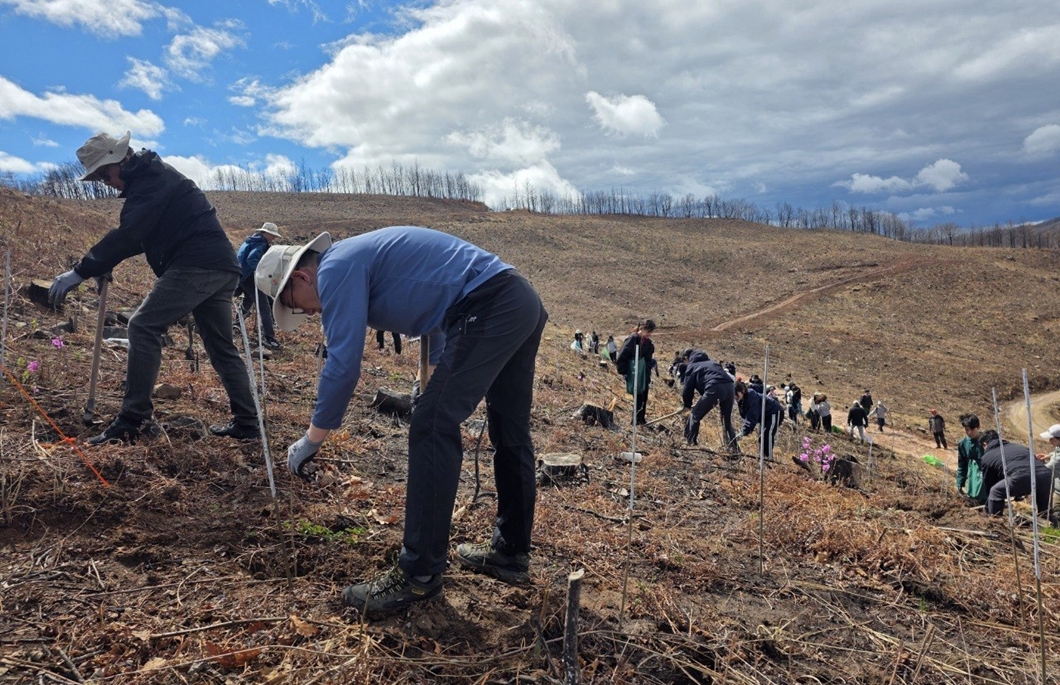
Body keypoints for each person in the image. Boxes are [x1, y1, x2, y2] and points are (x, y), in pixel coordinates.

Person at [256, 225, 548, 618]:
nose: (306, 313)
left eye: (294, 303)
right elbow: (438, 309)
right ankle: (510, 553)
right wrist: (427, 379)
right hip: (517, 299)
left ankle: (418, 573)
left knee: (430, 424)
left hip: (490, 304)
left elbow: (342, 365)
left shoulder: (334, 269)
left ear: (301, 277)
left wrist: (312, 438)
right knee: (508, 430)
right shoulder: (358, 259)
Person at [48, 131, 259, 444]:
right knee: (221, 348)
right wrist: (104, 263)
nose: (107, 183)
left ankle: (133, 422)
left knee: (143, 326)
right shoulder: (150, 177)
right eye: (99, 179)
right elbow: (139, 234)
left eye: (105, 175)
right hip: (220, 266)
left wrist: (80, 270)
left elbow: (130, 234)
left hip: (197, 264)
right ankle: (249, 424)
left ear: (119, 160)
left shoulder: (151, 181)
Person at [978, 430, 1052, 516]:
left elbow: (990, 483)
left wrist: (989, 502)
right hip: (1045, 474)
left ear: (985, 444)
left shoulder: (987, 457)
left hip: (1022, 475)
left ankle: (995, 522)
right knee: (1045, 513)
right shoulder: (1019, 446)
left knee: (995, 492)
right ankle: (1051, 527)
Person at [236, 222, 282, 349]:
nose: (273, 238)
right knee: (264, 306)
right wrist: (260, 273)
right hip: (251, 277)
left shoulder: (250, 241)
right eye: (272, 235)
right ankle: (269, 337)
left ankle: (237, 324)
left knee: (248, 299)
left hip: (242, 276)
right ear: (265, 233)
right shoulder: (260, 243)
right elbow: (252, 259)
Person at [680, 349, 736, 448]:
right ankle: (733, 448)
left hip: (715, 387)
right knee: (726, 420)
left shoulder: (692, 366)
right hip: (730, 387)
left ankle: (689, 443)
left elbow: (687, 390)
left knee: (695, 415)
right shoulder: (712, 362)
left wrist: (687, 405)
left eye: (684, 361)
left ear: (686, 358)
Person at [615, 320, 656, 425]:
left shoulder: (648, 343)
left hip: (644, 374)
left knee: (644, 396)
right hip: (634, 372)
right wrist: (624, 372)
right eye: (648, 331)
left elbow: (648, 360)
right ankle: (635, 420)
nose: (649, 334)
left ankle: (641, 418)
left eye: (650, 332)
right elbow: (622, 356)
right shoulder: (633, 339)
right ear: (642, 329)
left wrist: (647, 371)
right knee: (638, 396)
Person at [733, 381, 784, 458]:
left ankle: (768, 458)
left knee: (767, 435)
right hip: (766, 415)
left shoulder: (751, 397)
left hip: (774, 412)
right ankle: (763, 457)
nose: (735, 397)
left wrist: (745, 431)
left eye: (736, 394)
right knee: (762, 436)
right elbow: (745, 416)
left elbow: (752, 416)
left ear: (742, 391)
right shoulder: (742, 400)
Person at [956, 414, 986, 503]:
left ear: (978, 427)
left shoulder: (987, 441)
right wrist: (960, 482)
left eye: (972, 429)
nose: (969, 432)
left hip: (986, 477)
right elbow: (962, 464)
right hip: (973, 478)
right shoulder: (963, 443)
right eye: (967, 430)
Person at [1036, 424, 1060, 517]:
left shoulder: (1058, 459)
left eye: (1051, 438)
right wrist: (1048, 455)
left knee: (1057, 513)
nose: (1049, 441)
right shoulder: (1058, 449)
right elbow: (1056, 451)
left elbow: (1043, 470)